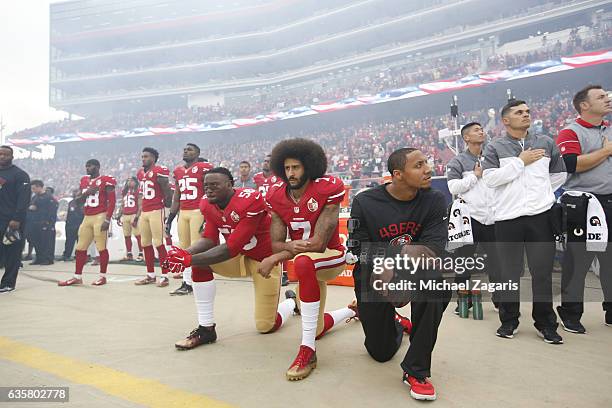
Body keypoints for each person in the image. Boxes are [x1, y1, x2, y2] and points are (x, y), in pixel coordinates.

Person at [349, 147, 450, 401]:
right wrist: (397, 255)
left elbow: (434, 250)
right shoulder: (364, 201)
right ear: (398, 174)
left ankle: (416, 370)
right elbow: (359, 250)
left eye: (427, 162)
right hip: (372, 275)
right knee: (380, 353)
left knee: (438, 281)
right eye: (418, 165)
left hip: (414, 271)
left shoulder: (435, 200)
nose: (428, 169)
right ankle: (397, 323)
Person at [163, 167, 297, 349]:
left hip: (263, 261)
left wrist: (188, 260)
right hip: (239, 257)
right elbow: (209, 239)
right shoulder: (208, 204)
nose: (209, 189)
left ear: (230, 184)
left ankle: (290, 302)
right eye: (206, 186)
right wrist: (185, 253)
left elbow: (231, 247)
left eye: (215, 185)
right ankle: (206, 328)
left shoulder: (250, 200)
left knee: (266, 326)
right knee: (202, 264)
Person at [259, 139, 358, 381]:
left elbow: (317, 244)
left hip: (332, 256)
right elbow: (276, 241)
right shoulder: (275, 195)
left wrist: (277, 256)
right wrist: (283, 248)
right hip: (306, 261)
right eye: (287, 168)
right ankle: (352, 310)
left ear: (309, 167)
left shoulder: (327, 188)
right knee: (317, 328)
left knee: (304, 261)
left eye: (296, 167)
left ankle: (307, 351)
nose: (291, 173)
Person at [482, 99, 567, 344]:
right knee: (510, 273)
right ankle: (509, 321)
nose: (526, 115)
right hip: (508, 220)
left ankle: (546, 323)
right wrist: (521, 161)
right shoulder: (495, 147)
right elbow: (491, 180)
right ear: (506, 120)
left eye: (528, 111)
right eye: (519, 112)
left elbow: (559, 174)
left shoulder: (546, 142)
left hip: (541, 217)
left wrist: (540, 195)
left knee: (542, 273)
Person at [555, 84, 612, 331]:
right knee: (578, 262)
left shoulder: (608, 129)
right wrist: (607, 150)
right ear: (585, 105)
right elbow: (571, 164)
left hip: (609, 201)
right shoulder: (570, 132)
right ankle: (570, 313)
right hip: (584, 204)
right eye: (601, 97)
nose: (607, 99)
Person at [446, 122, 501, 313]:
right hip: (469, 221)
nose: (481, 131)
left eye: (481, 129)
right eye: (476, 130)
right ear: (466, 138)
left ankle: (499, 300)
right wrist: (475, 176)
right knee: (464, 263)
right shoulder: (458, 161)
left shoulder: (493, 157)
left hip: (493, 218)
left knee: (496, 262)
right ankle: (464, 301)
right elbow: (453, 188)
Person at [58, 159, 116, 286]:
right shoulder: (84, 180)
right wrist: (86, 194)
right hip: (87, 216)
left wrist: (107, 219)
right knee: (80, 248)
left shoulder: (106, 179)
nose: (87, 168)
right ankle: (77, 276)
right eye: (86, 166)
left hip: (100, 215)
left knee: (101, 247)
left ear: (97, 167)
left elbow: (112, 201)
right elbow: (78, 200)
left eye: (90, 166)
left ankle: (103, 276)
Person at [166, 143, 213, 296]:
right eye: (184, 149)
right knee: (183, 248)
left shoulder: (204, 167)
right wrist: (170, 219)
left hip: (198, 211)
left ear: (198, 153)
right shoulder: (178, 171)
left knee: (196, 247)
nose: (186, 151)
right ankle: (187, 283)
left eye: (190, 149)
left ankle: (200, 280)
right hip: (183, 212)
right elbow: (176, 197)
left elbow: (209, 191)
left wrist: (208, 214)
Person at [134, 147, 173, 287]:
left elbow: (167, 192)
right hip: (145, 211)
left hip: (157, 209)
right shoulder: (140, 173)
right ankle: (150, 274)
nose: (143, 159)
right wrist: (138, 213)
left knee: (159, 243)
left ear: (154, 158)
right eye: (142, 156)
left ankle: (165, 275)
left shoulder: (159, 170)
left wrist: (166, 208)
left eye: (147, 156)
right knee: (145, 243)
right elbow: (141, 195)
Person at [253, 154, 288, 287]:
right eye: (265, 161)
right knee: (264, 244)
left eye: (269, 161)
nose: (266, 163)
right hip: (262, 214)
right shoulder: (257, 177)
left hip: (276, 213)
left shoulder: (280, 177)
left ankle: (283, 273)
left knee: (279, 243)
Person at [0, 145, 31, 293]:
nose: (2, 157)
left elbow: (24, 199)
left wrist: (17, 218)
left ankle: (8, 283)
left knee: (12, 252)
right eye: (0, 154)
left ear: (12, 157)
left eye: (5, 155)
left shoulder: (20, 175)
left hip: (11, 220)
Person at [27, 180, 55, 265]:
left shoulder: (48, 197)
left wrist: (48, 221)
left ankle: (48, 259)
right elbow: (31, 206)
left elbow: (52, 210)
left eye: (34, 188)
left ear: (39, 187)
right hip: (35, 222)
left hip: (45, 223)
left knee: (47, 242)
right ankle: (39, 258)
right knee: (36, 242)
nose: (33, 190)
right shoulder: (34, 197)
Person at [116, 177, 143, 262]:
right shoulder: (125, 192)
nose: (129, 182)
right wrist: (119, 215)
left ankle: (141, 254)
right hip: (125, 215)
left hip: (133, 214)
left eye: (131, 180)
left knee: (138, 235)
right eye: (128, 181)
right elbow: (123, 205)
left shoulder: (138, 191)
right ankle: (129, 254)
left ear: (135, 182)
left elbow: (140, 206)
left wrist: (136, 217)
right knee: (127, 236)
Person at [62, 189, 84, 261]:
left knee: (80, 242)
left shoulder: (84, 203)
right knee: (69, 241)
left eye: (77, 193)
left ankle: (79, 256)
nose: (75, 194)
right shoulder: (71, 202)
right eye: (74, 192)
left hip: (80, 225)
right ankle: (66, 255)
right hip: (70, 225)